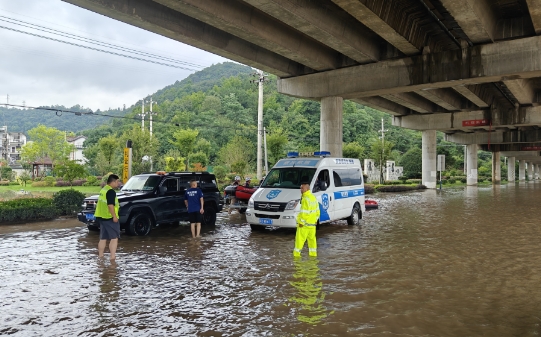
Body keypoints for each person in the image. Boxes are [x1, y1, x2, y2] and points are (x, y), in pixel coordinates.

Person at [95, 174, 121, 260]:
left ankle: (100, 256)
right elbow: (110, 205)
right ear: (113, 182)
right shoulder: (110, 191)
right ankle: (112, 258)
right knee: (114, 238)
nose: (118, 183)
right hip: (109, 218)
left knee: (103, 238)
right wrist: (114, 217)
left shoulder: (103, 189)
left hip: (102, 217)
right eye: (117, 181)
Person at [293, 182, 320, 257]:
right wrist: (315, 220)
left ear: (307, 189)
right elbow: (317, 211)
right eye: (300, 188)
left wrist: (301, 222)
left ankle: (296, 259)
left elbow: (304, 213)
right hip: (312, 226)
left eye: (302, 188)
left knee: (298, 244)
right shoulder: (313, 198)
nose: (300, 189)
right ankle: (313, 259)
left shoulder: (305, 199)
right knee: (312, 244)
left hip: (304, 226)